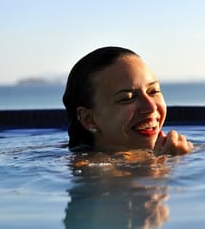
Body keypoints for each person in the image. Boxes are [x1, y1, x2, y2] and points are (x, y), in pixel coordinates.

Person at [62, 46, 193, 155]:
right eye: (127, 98)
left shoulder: (183, 149)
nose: (151, 107)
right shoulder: (89, 170)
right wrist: (164, 165)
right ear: (89, 119)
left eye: (153, 91)